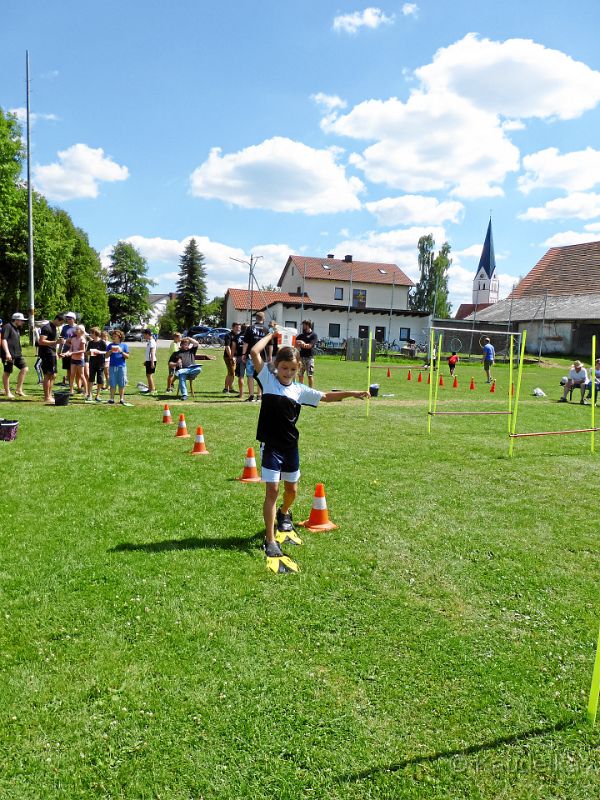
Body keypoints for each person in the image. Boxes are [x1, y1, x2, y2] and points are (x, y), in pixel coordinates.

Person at [250, 329, 370, 558]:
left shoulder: (299, 390)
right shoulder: (267, 378)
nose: (287, 372)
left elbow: (325, 396)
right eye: (284, 368)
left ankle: (285, 513)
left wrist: (353, 393)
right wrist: (272, 335)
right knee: (272, 491)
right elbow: (255, 352)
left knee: (291, 490)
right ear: (277, 365)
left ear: (299, 370)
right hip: (271, 447)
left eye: (293, 369)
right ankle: (270, 538)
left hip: (290, 447)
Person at [242, 311, 270, 402]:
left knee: (250, 375)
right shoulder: (267, 329)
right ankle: (260, 395)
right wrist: (269, 356)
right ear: (264, 318)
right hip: (263, 356)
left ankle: (251, 396)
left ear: (256, 318)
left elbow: (245, 343)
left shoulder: (250, 328)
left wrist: (243, 354)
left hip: (251, 356)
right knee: (261, 375)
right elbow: (270, 345)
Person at [37, 313, 65, 403]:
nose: (61, 325)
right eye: (61, 323)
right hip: (46, 354)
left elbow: (53, 342)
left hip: (52, 353)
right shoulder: (46, 327)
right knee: (48, 375)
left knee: (53, 375)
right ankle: (46, 397)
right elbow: (41, 341)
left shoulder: (54, 327)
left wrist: (56, 352)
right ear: (57, 319)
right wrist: (56, 342)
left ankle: (49, 394)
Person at [2, 312, 28, 398]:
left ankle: (19, 389)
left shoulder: (16, 328)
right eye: (21, 320)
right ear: (16, 320)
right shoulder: (7, 327)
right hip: (9, 355)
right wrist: (7, 353)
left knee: (25, 368)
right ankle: (7, 392)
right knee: (7, 372)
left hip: (17, 354)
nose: (23, 322)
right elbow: (4, 340)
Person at [64, 324, 90, 400]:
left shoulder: (82, 339)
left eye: (77, 329)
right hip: (73, 359)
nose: (76, 330)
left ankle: (86, 392)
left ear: (81, 331)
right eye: (76, 329)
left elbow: (83, 350)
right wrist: (66, 353)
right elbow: (71, 349)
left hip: (80, 360)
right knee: (72, 375)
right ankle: (71, 391)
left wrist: (72, 353)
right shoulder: (73, 339)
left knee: (82, 375)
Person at [107, 330, 132, 406]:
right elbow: (106, 356)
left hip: (121, 366)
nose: (113, 337)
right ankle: (111, 398)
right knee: (112, 383)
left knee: (122, 383)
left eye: (115, 336)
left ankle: (121, 399)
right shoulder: (110, 345)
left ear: (119, 337)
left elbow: (127, 356)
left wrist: (121, 352)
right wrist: (110, 351)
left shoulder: (124, 345)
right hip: (112, 366)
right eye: (113, 336)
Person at [87, 327, 107, 402]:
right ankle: (90, 395)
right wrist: (90, 352)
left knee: (100, 380)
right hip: (92, 363)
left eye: (91, 333)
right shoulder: (90, 342)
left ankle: (98, 395)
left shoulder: (102, 342)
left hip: (100, 363)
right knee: (91, 379)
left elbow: (106, 352)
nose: (90, 334)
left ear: (95, 333)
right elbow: (87, 352)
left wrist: (99, 352)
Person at [296, 319, 319, 388]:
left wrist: (302, 344)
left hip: (309, 358)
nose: (303, 326)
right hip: (301, 357)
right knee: (300, 375)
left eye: (304, 325)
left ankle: (310, 390)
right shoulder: (301, 335)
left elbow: (309, 346)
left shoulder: (314, 335)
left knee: (310, 375)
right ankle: (301, 389)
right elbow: (294, 341)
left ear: (308, 325)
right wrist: (299, 341)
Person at [59, 312, 77, 386]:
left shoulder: (78, 327)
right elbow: (61, 339)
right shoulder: (64, 327)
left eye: (70, 318)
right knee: (68, 368)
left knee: (76, 368)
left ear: (74, 319)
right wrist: (59, 350)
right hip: (66, 350)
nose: (68, 320)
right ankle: (70, 384)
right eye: (67, 319)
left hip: (75, 351)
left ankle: (78, 384)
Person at [233, 323, 246, 399]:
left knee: (241, 377)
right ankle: (258, 395)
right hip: (250, 357)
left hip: (240, 357)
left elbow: (234, 348)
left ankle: (241, 394)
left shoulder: (237, 336)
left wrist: (232, 357)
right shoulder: (250, 336)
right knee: (252, 377)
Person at [143, 328, 157, 393]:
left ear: (147, 334)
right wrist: (146, 361)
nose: (144, 336)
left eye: (144, 335)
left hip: (151, 361)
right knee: (148, 375)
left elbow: (152, 353)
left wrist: (152, 363)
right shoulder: (149, 342)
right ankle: (150, 388)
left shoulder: (152, 342)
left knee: (149, 375)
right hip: (149, 361)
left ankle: (152, 389)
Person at [222, 326, 236, 393]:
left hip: (234, 357)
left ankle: (230, 388)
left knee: (232, 373)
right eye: (236, 327)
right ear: (233, 328)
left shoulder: (237, 335)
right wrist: (231, 357)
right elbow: (227, 347)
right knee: (231, 373)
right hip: (228, 357)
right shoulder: (228, 335)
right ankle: (225, 389)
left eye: (239, 327)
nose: (238, 329)